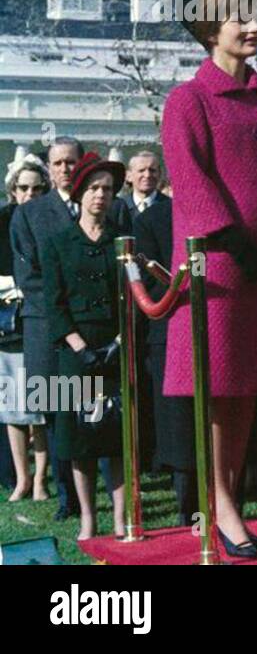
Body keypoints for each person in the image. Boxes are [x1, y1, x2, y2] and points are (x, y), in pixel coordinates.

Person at [161, 0, 257, 559]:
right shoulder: (187, 100)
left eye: (255, 15)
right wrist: (238, 246)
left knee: (247, 390)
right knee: (220, 389)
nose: (254, 26)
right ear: (208, 28)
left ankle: (227, 506)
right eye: (239, 17)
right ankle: (221, 507)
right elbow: (191, 178)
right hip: (223, 271)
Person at [10, 136, 124, 520]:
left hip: (100, 330)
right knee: (61, 412)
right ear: (50, 167)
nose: (64, 169)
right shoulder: (30, 213)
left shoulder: (110, 205)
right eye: (57, 163)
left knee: (105, 409)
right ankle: (67, 500)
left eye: (71, 162)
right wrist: (67, 319)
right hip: (48, 325)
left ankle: (115, 494)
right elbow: (30, 276)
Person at [43, 152, 127, 540]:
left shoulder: (123, 242)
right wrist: (80, 347)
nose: (101, 196)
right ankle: (88, 519)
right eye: (94, 188)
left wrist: (119, 341)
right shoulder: (57, 242)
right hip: (73, 353)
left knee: (116, 436)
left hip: (115, 348)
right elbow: (53, 303)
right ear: (79, 194)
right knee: (81, 438)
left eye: (107, 190)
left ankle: (122, 519)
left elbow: (134, 295)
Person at [131, 180, 197, 526]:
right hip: (168, 329)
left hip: (211, 329)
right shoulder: (151, 219)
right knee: (178, 427)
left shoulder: (212, 212)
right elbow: (148, 277)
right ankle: (188, 510)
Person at [1, 155, 51, 501]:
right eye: (23, 188)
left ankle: (41, 480)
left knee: (42, 404)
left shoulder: (52, 222)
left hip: (41, 323)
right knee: (12, 408)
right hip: (7, 326)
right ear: (12, 190)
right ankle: (21, 477)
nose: (29, 194)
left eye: (36, 188)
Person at [119, 151, 166, 219]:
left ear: (159, 173)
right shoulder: (118, 208)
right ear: (128, 176)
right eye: (141, 170)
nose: (147, 175)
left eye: (152, 170)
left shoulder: (172, 207)